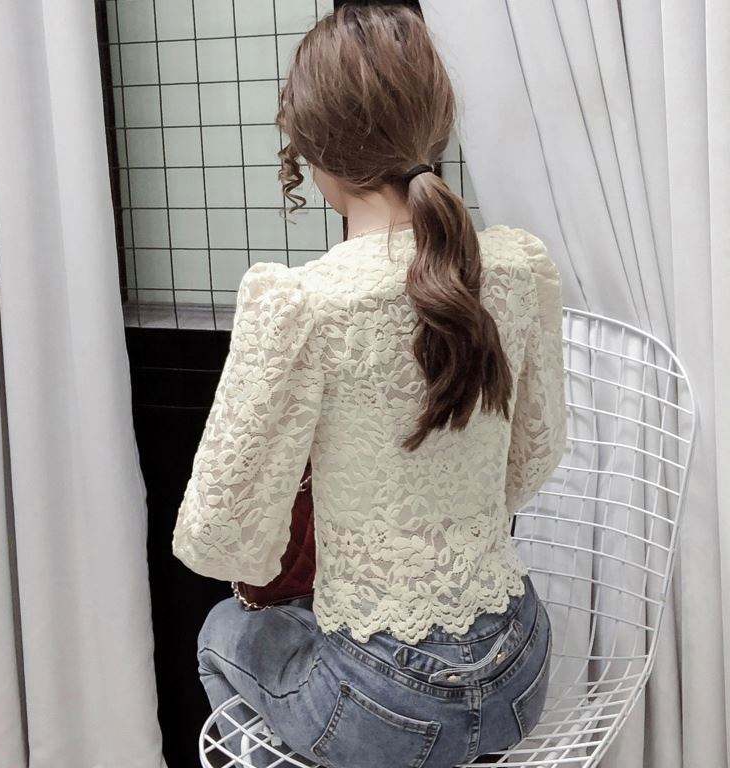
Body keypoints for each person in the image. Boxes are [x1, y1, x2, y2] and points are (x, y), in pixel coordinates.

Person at [171, 4, 567, 767]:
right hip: (520, 672)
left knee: (224, 631)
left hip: (386, 704)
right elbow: (532, 464)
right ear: (436, 124)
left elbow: (219, 539)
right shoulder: (518, 268)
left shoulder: (301, 302)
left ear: (307, 145)